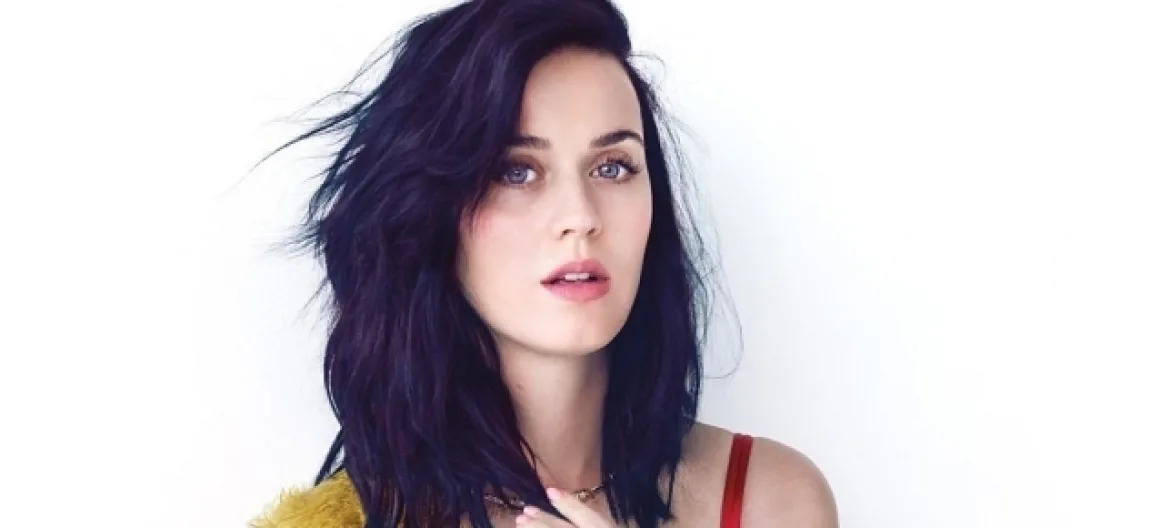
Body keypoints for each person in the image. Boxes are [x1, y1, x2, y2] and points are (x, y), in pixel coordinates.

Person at [250, 0, 836, 526]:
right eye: (516, 171)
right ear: (434, 211)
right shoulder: (341, 522)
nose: (580, 216)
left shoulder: (770, 502)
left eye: (613, 167)